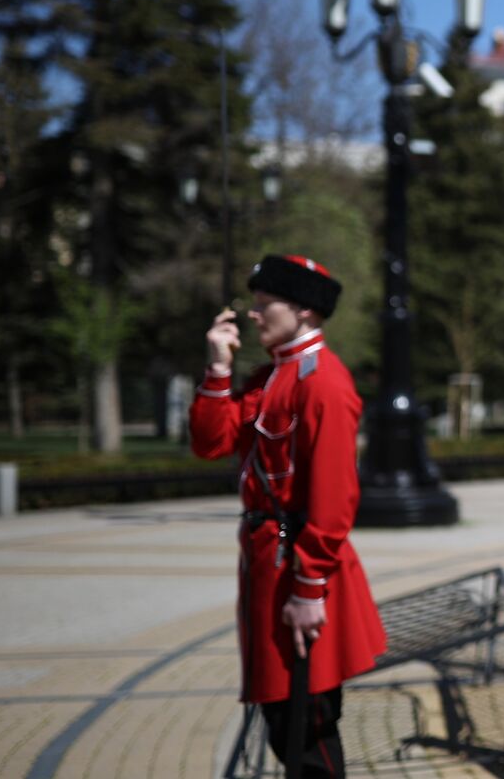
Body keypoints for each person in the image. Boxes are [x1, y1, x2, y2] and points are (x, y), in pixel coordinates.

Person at [190, 254, 386, 778]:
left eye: (263, 305)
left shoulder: (322, 383)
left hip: (296, 568)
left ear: (301, 309)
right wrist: (218, 368)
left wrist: (308, 589)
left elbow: (335, 497)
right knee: (287, 724)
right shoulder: (270, 376)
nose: (252, 315)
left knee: (306, 730)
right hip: (269, 563)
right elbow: (210, 443)